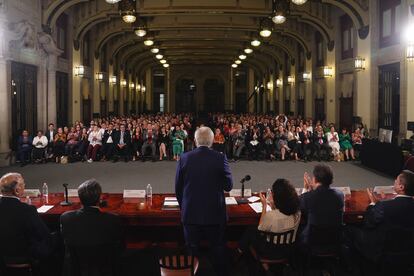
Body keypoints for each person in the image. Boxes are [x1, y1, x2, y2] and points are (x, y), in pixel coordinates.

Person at [175, 126, 233, 276]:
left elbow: (178, 188)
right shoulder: (220, 158)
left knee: (192, 250)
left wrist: (185, 207)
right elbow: (228, 186)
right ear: (213, 141)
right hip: (215, 213)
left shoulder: (184, 158)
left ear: (195, 141)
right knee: (217, 248)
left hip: (191, 214)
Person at [347, 170, 414, 262]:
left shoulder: (384, 206)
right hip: (407, 249)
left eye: (396, 180)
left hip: (380, 249)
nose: (394, 181)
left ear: (401, 187)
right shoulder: (385, 205)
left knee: (349, 228)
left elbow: (368, 222)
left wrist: (373, 203)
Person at [60, 179, 125, 274]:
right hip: (105, 268)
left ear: (79, 198)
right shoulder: (112, 219)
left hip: (76, 268)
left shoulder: (66, 218)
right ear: (99, 198)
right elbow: (121, 246)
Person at [238, 179, 301, 265]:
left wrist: (264, 206)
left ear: (277, 197)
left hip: (270, 251)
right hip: (287, 249)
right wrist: (273, 205)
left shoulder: (271, 216)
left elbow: (260, 228)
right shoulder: (297, 213)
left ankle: (239, 252)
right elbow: (282, 219)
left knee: (251, 231)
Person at [0, 173, 54, 271]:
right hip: (23, 257)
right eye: (23, 184)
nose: (25, 186)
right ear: (17, 190)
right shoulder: (27, 210)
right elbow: (43, 235)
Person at [300, 164, 344, 244]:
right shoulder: (340, 195)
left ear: (315, 179)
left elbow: (300, 206)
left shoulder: (308, 197)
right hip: (334, 241)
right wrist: (312, 190)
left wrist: (306, 189)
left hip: (313, 242)